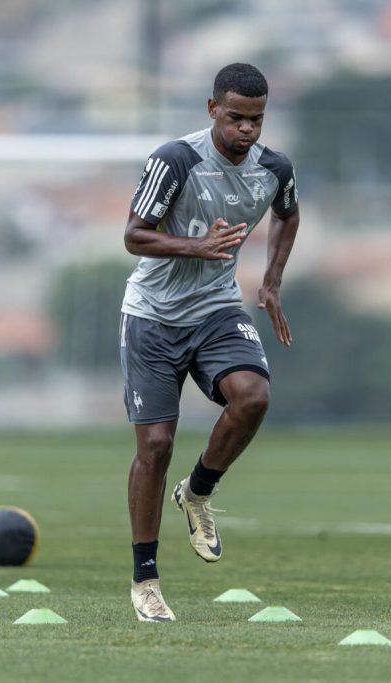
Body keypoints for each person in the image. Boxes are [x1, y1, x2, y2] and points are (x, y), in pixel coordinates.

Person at [120, 63, 300, 622]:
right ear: (212, 109)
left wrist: (270, 282)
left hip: (217, 309)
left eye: (257, 119)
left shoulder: (274, 168)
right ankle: (145, 580)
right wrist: (195, 248)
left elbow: (288, 215)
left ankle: (197, 492)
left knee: (253, 396)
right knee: (155, 446)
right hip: (152, 316)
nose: (247, 130)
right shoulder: (175, 160)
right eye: (236, 117)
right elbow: (133, 235)